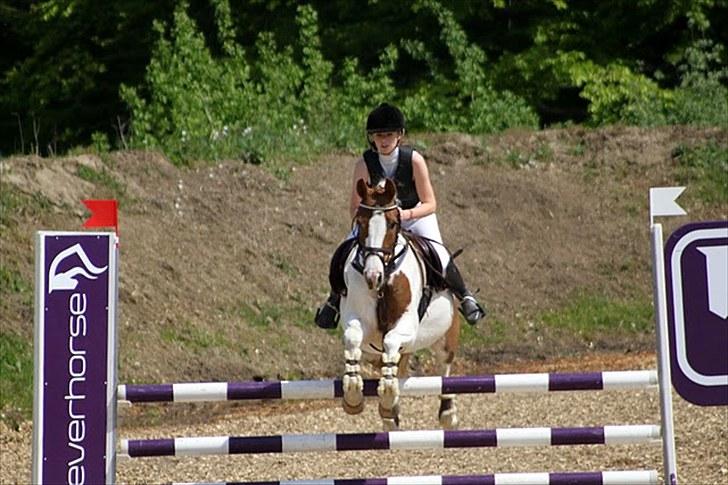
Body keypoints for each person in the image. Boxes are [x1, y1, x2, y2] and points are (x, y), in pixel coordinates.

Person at [315, 102, 486, 328]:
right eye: (378, 135)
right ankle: (335, 300)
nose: (384, 140)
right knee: (344, 250)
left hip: (414, 215)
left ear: (399, 135)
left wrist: (405, 215)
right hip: (377, 222)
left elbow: (431, 203)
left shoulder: (414, 160)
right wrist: (372, 221)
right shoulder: (364, 164)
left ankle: (465, 297)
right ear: (371, 138)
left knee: (439, 253)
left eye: (389, 134)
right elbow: (355, 207)